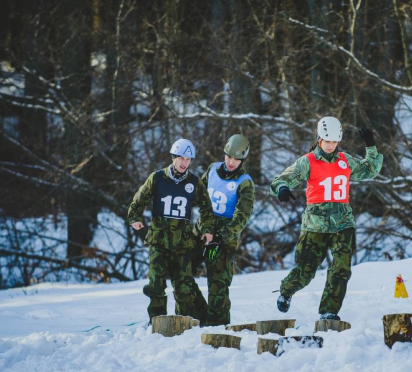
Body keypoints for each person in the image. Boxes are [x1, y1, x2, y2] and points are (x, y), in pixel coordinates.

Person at [270, 116, 383, 321]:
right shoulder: (308, 162)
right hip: (315, 224)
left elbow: (370, 170)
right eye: (327, 141)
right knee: (305, 272)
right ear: (319, 139)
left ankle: (329, 311)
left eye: (334, 142)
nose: (330, 145)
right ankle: (286, 291)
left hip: (343, 223)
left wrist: (370, 145)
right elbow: (282, 179)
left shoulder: (344, 160)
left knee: (341, 269)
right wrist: (282, 189)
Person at [127, 138, 215, 324]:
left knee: (183, 286)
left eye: (188, 159)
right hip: (158, 241)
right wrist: (134, 219)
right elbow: (138, 201)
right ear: (174, 158)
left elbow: (207, 210)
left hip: (182, 243)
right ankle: (157, 323)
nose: (184, 163)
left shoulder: (194, 183)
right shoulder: (157, 178)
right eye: (181, 158)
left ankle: (183, 322)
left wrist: (207, 230)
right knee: (156, 286)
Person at [194, 134, 255, 326]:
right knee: (181, 272)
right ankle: (193, 317)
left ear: (242, 160)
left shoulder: (245, 182)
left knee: (218, 285)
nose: (231, 162)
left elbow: (242, 216)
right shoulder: (212, 169)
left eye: (236, 159)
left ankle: (217, 328)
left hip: (221, 240)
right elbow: (198, 192)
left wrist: (223, 236)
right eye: (229, 156)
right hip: (201, 231)